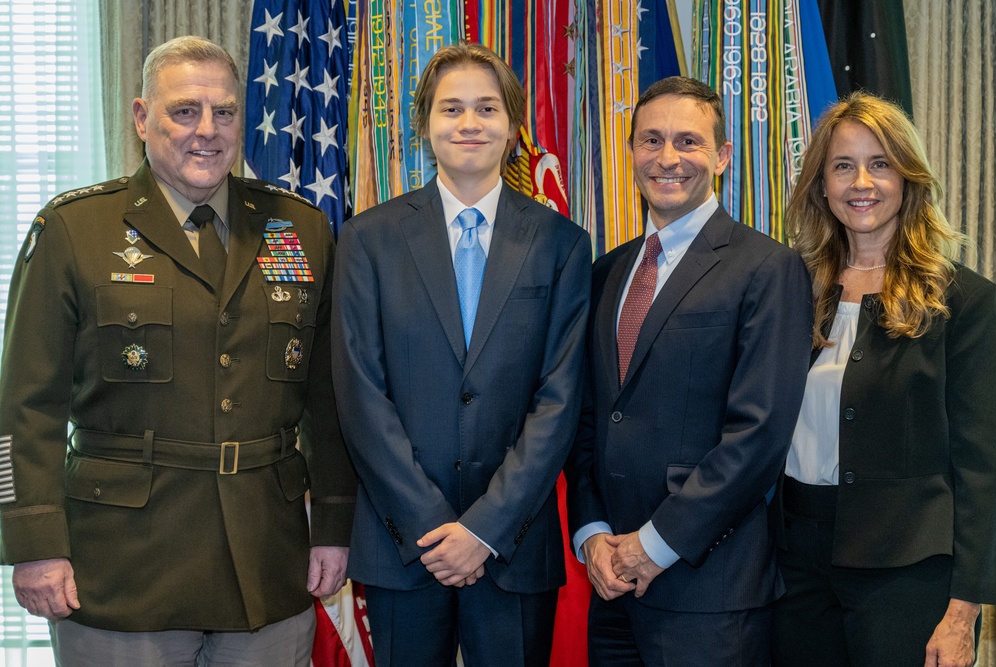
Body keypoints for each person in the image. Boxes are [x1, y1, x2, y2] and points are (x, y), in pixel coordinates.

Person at [0, 35, 356, 665]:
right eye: (184, 111)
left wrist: (332, 523)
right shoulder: (74, 231)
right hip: (122, 568)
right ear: (142, 117)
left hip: (266, 563)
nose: (207, 131)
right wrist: (34, 541)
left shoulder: (299, 229)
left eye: (224, 112)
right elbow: (25, 406)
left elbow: (328, 401)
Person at [330, 42, 591, 666]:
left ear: (512, 126)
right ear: (424, 125)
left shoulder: (561, 243)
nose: (469, 123)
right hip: (404, 543)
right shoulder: (368, 238)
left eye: (487, 108)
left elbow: (560, 398)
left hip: (514, 545)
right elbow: (360, 393)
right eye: (451, 109)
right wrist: (432, 528)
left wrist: (483, 531)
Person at [564, 76, 813, 665]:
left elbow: (759, 436)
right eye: (651, 140)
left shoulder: (768, 269)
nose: (668, 158)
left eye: (689, 142)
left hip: (711, 591)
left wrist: (653, 547)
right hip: (612, 587)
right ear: (631, 154)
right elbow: (591, 418)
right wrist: (592, 533)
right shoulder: (606, 273)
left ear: (722, 156)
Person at [770, 92, 996, 667]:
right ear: (821, 184)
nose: (861, 182)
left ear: (908, 178)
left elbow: (982, 468)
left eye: (880, 164)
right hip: (793, 563)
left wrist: (963, 611)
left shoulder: (965, 303)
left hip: (907, 572)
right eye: (843, 166)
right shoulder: (787, 291)